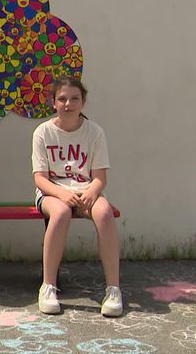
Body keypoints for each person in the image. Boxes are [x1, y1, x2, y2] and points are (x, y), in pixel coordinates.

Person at [32, 76, 122, 317]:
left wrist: (90, 193)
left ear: (83, 102)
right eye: (62, 99)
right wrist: (62, 193)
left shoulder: (95, 132)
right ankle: (48, 286)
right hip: (52, 192)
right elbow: (40, 178)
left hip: (85, 189)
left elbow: (100, 178)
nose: (68, 104)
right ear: (53, 102)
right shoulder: (43, 132)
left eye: (74, 99)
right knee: (60, 213)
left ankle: (113, 289)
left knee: (104, 212)